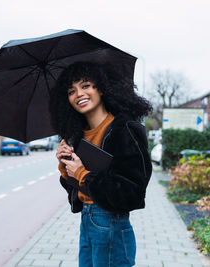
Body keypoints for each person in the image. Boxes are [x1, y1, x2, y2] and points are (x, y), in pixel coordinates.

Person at [49, 61, 153, 267]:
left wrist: (82, 173)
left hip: (111, 223)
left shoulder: (126, 130)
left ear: (103, 88)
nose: (78, 94)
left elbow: (131, 192)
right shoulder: (78, 137)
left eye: (85, 85)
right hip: (88, 220)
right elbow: (79, 188)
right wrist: (65, 166)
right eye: (71, 91)